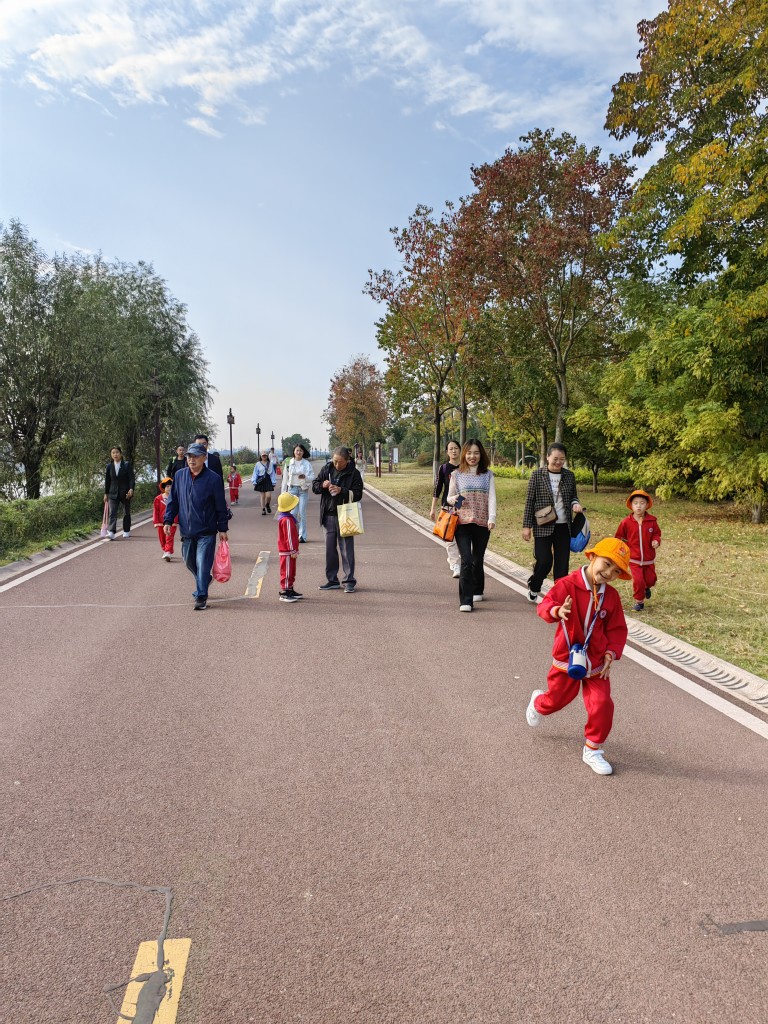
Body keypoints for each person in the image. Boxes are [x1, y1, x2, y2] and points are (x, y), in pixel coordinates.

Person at [525, 537, 631, 776]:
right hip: (567, 657)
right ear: (592, 557)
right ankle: (538, 703)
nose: (609, 573)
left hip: (596, 662)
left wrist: (611, 653)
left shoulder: (611, 597)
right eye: (607, 564)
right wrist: (557, 610)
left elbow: (617, 629)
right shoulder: (567, 584)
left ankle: (593, 749)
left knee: (602, 703)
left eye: (616, 571)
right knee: (557, 700)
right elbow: (544, 606)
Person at [164, 442, 229, 611]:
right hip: (187, 530)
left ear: (204, 458)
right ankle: (204, 579)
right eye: (189, 456)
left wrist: (222, 528)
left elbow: (220, 505)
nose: (191, 460)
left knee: (203, 563)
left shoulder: (214, 479)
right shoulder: (179, 476)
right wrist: (168, 520)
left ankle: (201, 596)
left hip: (207, 530)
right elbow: (173, 501)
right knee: (189, 562)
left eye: (195, 456)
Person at [522, 442, 583, 603]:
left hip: (564, 526)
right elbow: (530, 501)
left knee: (562, 565)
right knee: (544, 560)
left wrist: (575, 504)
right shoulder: (537, 475)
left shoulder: (569, 476)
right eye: (555, 458)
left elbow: (573, 496)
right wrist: (526, 526)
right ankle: (534, 585)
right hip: (543, 524)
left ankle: (559, 597)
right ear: (547, 457)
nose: (558, 462)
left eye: (562, 459)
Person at [447, 439, 496, 612]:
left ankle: (477, 589)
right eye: (469, 453)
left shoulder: (488, 474)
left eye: (476, 453)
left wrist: (492, 517)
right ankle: (466, 601)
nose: (472, 456)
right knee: (466, 560)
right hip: (462, 522)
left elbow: (492, 497)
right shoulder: (456, 474)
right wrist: (456, 499)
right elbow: (449, 498)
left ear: (481, 454)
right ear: (464, 454)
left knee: (477, 559)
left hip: (482, 522)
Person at [312, 446, 364, 593]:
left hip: (345, 515)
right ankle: (332, 580)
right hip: (328, 514)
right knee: (330, 550)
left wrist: (342, 491)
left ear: (347, 461)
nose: (336, 464)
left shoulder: (353, 473)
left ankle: (349, 581)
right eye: (334, 460)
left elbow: (358, 494)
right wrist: (322, 485)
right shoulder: (327, 468)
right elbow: (314, 486)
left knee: (346, 549)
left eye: (339, 462)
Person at [615, 489, 661, 612]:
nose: (639, 506)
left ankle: (647, 587)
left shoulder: (652, 521)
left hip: (648, 559)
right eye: (635, 503)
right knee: (638, 581)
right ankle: (639, 601)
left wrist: (656, 541)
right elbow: (619, 538)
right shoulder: (626, 522)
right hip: (634, 559)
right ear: (631, 505)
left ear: (647, 505)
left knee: (651, 580)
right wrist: (622, 549)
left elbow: (657, 534)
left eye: (642, 503)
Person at [429, 439, 462, 578]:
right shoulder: (443, 468)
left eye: (456, 448)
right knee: (449, 536)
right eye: (451, 449)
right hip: (447, 506)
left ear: (460, 450)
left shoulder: (465, 467)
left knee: (462, 535)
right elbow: (437, 488)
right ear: (447, 452)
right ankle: (455, 564)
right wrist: (433, 508)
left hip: (463, 505)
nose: (454, 451)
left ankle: (459, 560)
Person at [281, 444, 315, 542]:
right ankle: (293, 534)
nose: (299, 452)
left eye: (300, 450)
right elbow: (285, 479)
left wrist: (305, 477)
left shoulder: (306, 463)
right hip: (292, 490)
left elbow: (312, 476)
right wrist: (283, 492)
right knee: (293, 513)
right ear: (294, 451)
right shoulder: (289, 463)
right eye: (297, 450)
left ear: (303, 452)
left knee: (302, 513)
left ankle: (302, 536)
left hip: (303, 490)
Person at [103, 445, 136, 540]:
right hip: (113, 493)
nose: (115, 454)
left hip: (125, 493)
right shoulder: (109, 466)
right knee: (112, 512)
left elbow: (131, 478)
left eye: (117, 452)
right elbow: (107, 481)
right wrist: (106, 493)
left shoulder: (126, 465)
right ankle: (111, 532)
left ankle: (126, 531)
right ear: (111, 455)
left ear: (120, 454)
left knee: (126, 512)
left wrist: (131, 489)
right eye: (113, 453)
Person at [276, 492, 302, 602]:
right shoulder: (287, 520)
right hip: (287, 551)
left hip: (289, 550)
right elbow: (289, 537)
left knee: (291, 571)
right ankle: (285, 591)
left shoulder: (286, 518)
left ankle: (289, 588)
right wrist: (292, 550)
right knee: (287, 571)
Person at [152, 477, 177, 561]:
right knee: (162, 538)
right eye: (167, 486)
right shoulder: (158, 499)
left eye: (171, 486)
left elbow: (178, 510)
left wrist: (177, 520)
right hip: (161, 522)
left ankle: (168, 551)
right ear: (163, 487)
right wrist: (156, 521)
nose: (169, 488)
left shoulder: (176, 498)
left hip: (172, 522)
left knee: (169, 537)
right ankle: (165, 549)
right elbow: (156, 511)